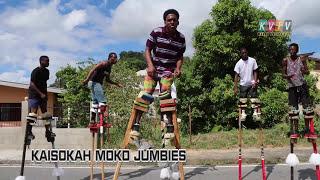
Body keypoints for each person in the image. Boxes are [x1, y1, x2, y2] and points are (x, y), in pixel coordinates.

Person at [282, 43, 316, 138]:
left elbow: (307, 72)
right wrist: (287, 76)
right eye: (290, 49)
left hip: (302, 86)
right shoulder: (285, 60)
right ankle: (295, 130)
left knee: (307, 109)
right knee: (293, 110)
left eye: (293, 50)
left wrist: (303, 70)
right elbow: (283, 74)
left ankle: (307, 130)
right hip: (292, 87)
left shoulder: (302, 59)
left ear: (297, 50)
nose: (291, 51)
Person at [82, 52, 122, 124]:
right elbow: (92, 70)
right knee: (102, 101)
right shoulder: (103, 63)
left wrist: (116, 84)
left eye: (116, 58)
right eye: (114, 58)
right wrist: (87, 79)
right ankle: (102, 120)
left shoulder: (109, 68)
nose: (115, 59)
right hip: (93, 82)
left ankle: (93, 120)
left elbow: (107, 80)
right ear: (110, 58)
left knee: (95, 102)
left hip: (97, 84)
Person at [27, 55, 53, 141]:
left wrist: (45, 94)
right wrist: (40, 93)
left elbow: (44, 84)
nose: (48, 63)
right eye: (47, 61)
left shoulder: (47, 72)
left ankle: (47, 132)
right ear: (41, 61)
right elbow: (32, 84)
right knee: (33, 113)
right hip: (34, 94)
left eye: (48, 61)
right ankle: (29, 132)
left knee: (45, 114)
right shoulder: (35, 71)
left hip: (43, 95)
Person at [234, 47, 260, 121]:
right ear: (241, 54)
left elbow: (255, 71)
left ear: (247, 52)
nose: (244, 54)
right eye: (242, 53)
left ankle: (255, 113)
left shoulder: (252, 60)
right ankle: (243, 114)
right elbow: (236, 76)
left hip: (252, 83)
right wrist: (235, 87)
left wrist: (255, 81)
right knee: (243, 100)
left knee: (254, 98)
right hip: (243, 84)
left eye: (245, 52)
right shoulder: (238, 63)